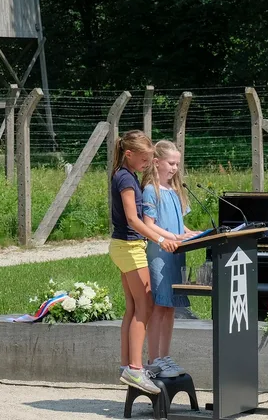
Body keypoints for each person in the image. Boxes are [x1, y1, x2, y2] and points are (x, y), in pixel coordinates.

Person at [109, 130, 179, 395]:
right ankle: (137, 369)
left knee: (132, 308)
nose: (148, 164)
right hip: (129, 246)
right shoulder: (126, 179)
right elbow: (133, 220)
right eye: (144, 159)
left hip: (122, 246)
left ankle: (127, 365)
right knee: (145, 307)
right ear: (129, 154)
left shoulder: (125, 173)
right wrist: (160, 240)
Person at [142, 140, 200, 378]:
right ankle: (154, 359)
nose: (175, 168)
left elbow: (178, 223)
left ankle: (165, 357)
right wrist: (174, 235)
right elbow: (150, 225)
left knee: (170, 308)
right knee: (159, 307)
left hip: (177, 253)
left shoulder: (175, 191)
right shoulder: (150, 190)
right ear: (156, 162)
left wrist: (189, 233)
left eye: (177, 163)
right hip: (160, 255)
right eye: (171, 163)